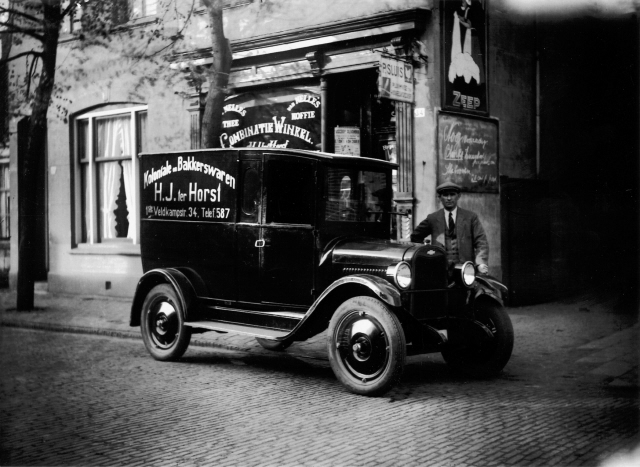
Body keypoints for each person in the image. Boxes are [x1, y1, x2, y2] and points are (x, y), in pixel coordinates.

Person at [410, 181, 489, 274]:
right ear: (439, 197)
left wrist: (480, 263)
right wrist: (426, 253)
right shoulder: (433, 218)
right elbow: (415, 236)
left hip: (465, 270)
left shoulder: (470, 217)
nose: (449, 198)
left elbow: (481, 242)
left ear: (458, 196)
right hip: (439, 270)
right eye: (445, 195)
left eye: (452, 194)